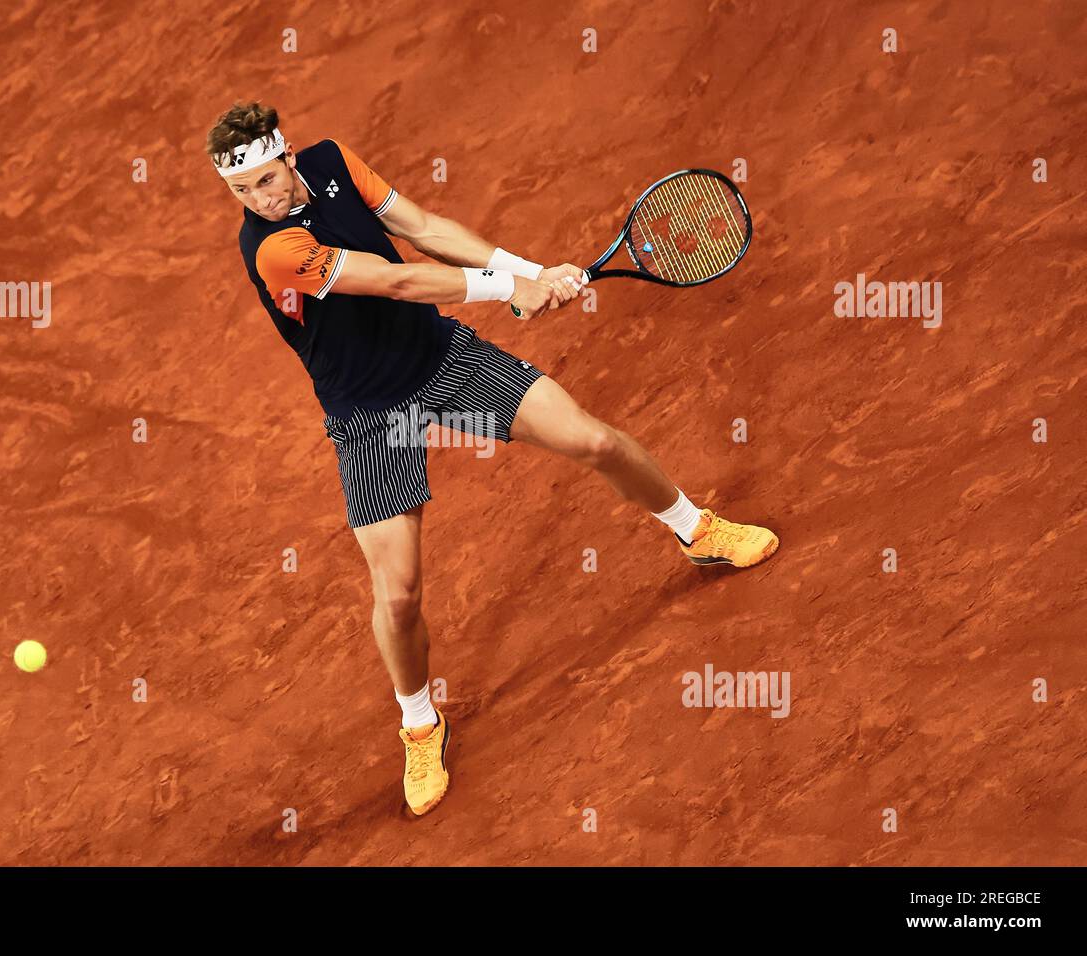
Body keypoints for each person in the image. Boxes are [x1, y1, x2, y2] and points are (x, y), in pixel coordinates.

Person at [210, 101, 778, 817]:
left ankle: (696, 529)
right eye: (242, 191)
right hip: (369, 415)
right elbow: (399, 280)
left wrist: (529, 268)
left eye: (266, 180)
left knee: (593, 440)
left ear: (289, 158)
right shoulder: (270, 250)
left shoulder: (329, 161)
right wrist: (511, 289)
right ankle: (420, 723)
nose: (259, 199)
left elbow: (420, 229)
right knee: (400, 593)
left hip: (441, 360)